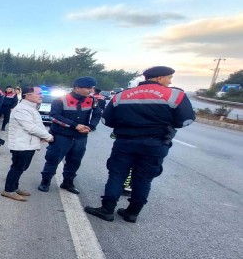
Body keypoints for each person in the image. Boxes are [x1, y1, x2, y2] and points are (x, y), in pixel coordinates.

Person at [84, 66, 195, 222]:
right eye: (169, 78)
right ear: (159, 78)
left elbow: (107, 120)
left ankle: (107, 209)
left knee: (117, 174)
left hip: (125, 141)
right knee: (144, 179)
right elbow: (186, 120)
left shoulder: (122, 95)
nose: (170, 82)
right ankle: (132, 213)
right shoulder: (175, 95)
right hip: (156, 144)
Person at [37, 76, 102, 194]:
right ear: (77, 88)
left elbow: (97, 115)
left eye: (92, 88)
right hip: (62, 135)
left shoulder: (92, 100)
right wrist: (74, 125)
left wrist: (91, 127)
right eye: (88, 88)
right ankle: (45, 181)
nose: (91, 91)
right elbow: (54, 116)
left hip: (80, 137)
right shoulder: (61, 100)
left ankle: (68, 182)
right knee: (53, 159)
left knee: (75, 161)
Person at [2, 86, 54, 201]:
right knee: (17, 167)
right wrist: (48, 137)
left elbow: (38, 125)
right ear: (28, 95)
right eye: (38, 93)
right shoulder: (22, 109)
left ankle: (14, 187)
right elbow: (30, 127)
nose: (41, 96)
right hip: (21, 144)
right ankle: (8, 190)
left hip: (27, 143)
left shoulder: (31, 107)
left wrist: (42, 136)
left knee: (21, 167)